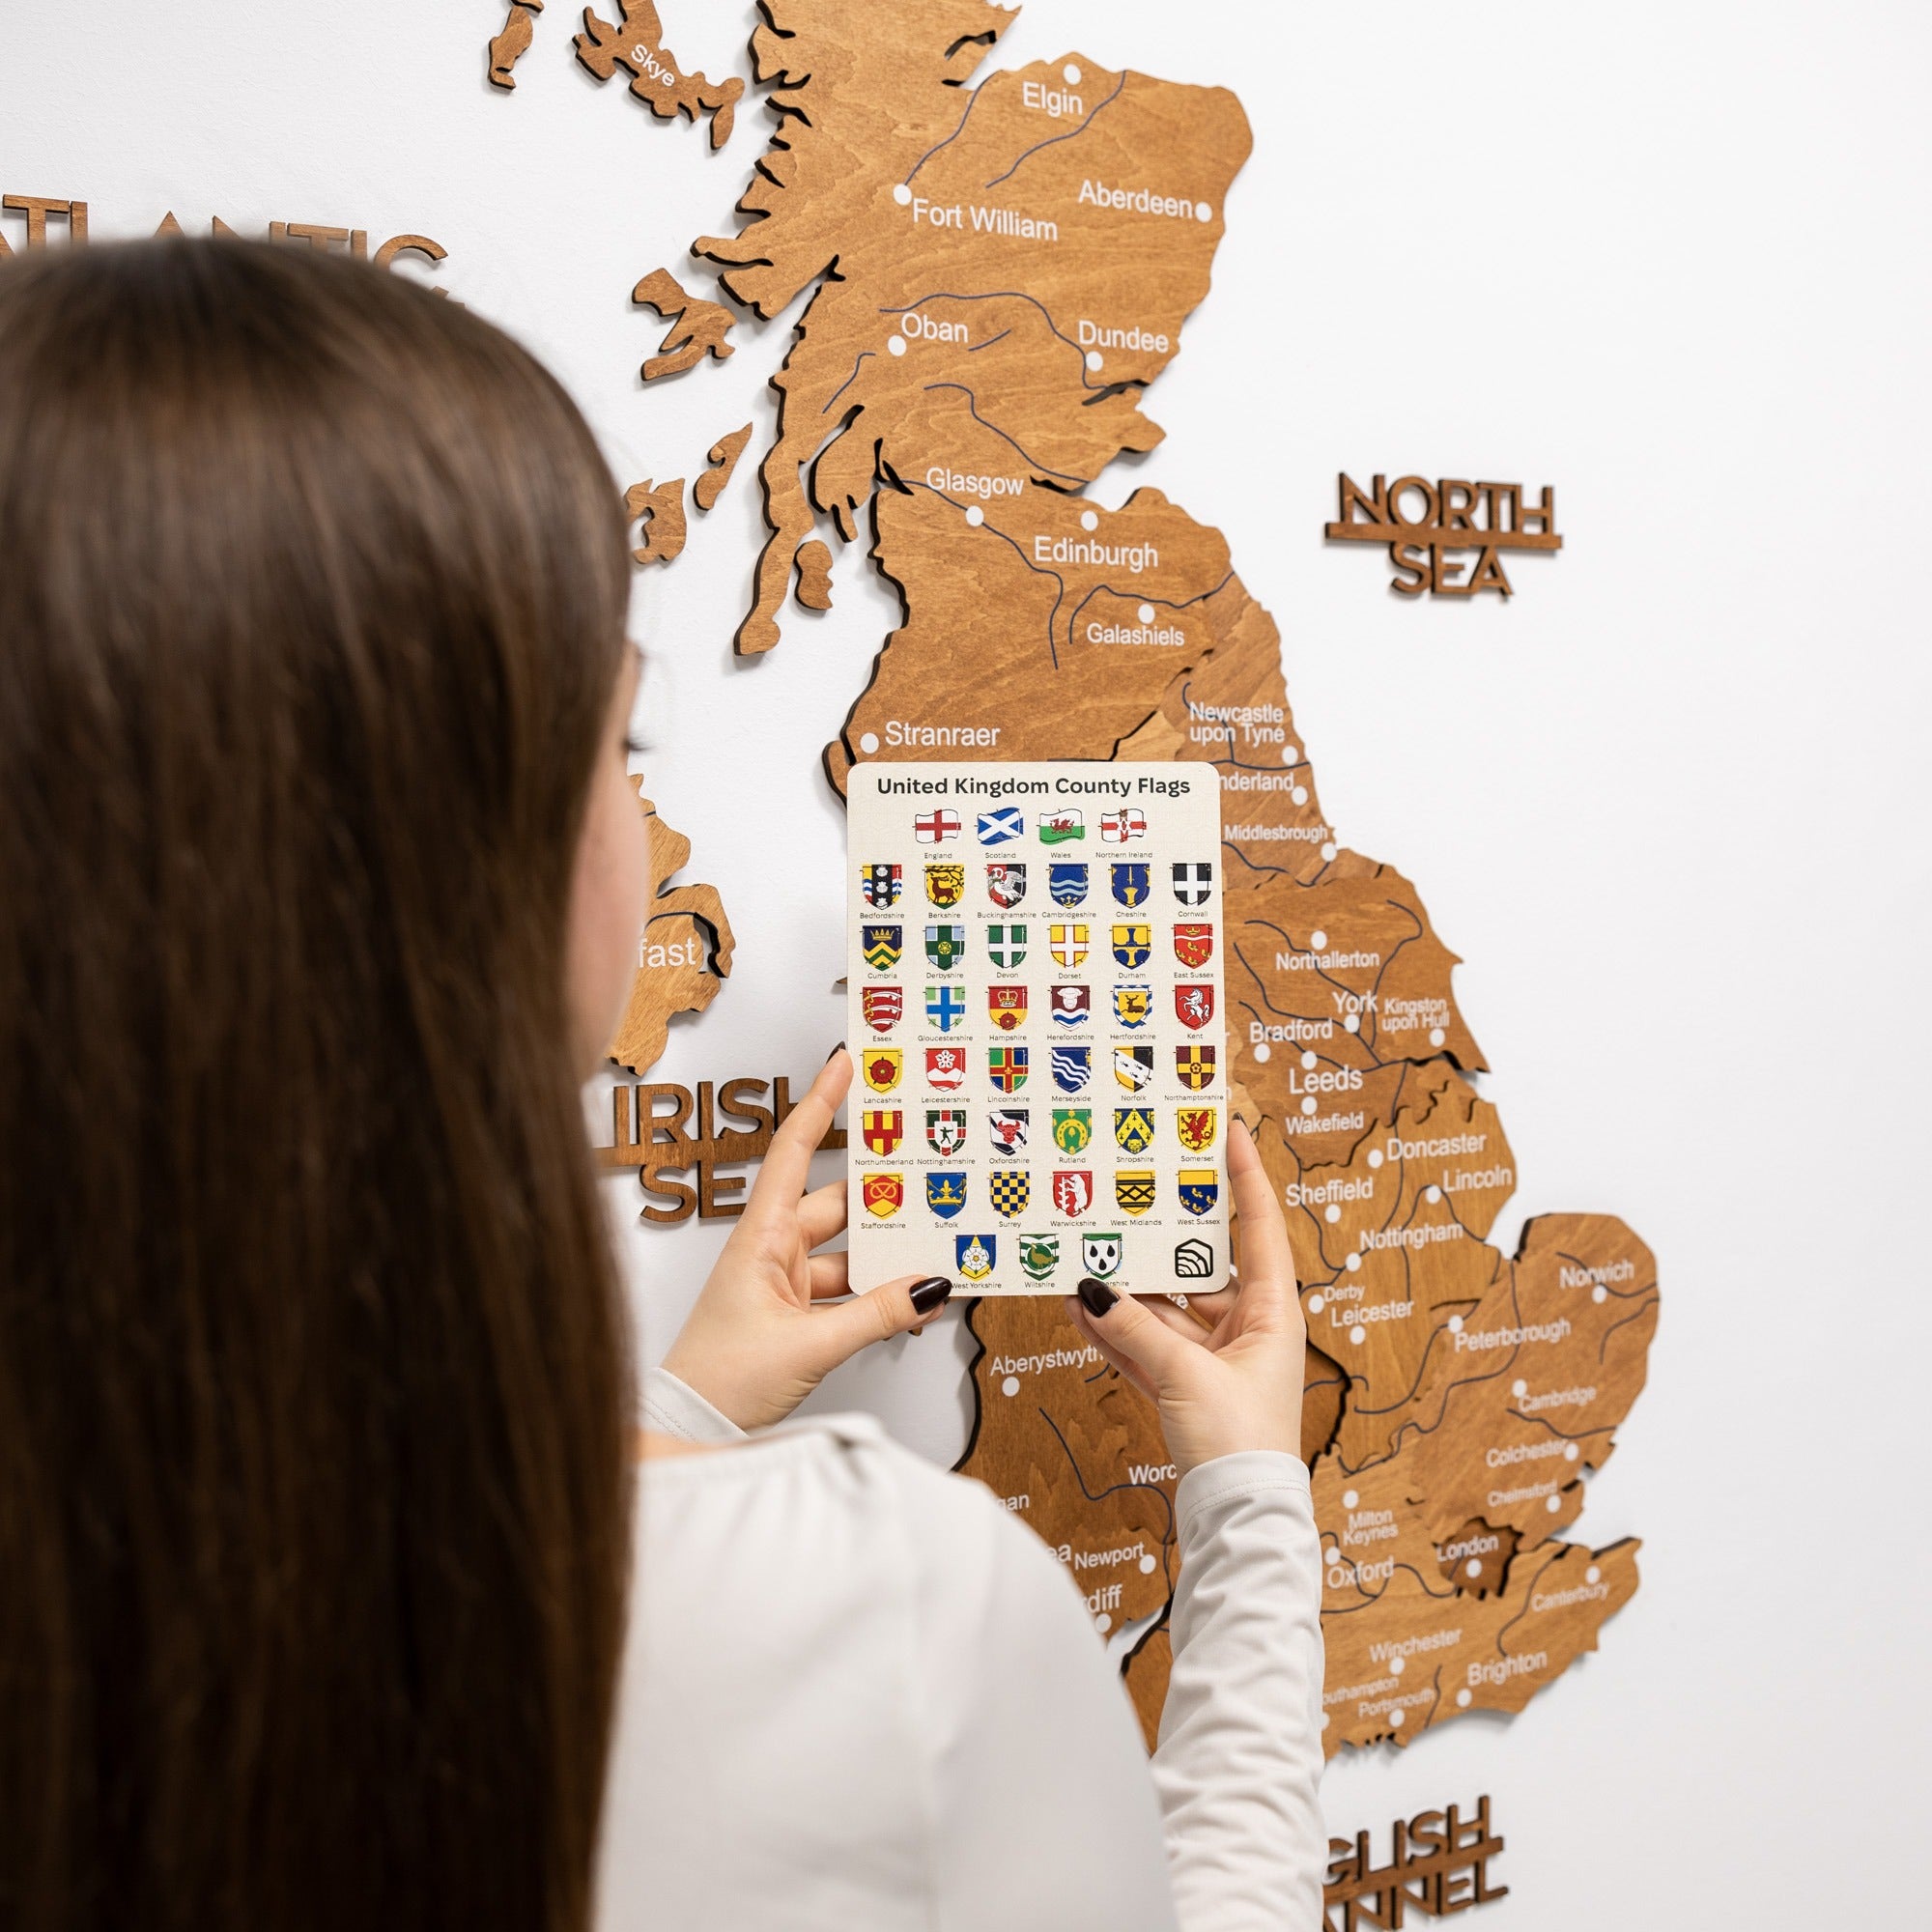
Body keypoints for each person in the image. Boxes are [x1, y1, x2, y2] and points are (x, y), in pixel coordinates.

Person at [0, 240, 1324, 1932]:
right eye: (616, 750)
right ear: (460, 860)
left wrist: (678, 1414)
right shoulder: (885, 1608)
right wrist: (1249, 1500)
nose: (644, 826)